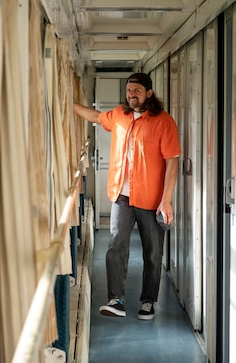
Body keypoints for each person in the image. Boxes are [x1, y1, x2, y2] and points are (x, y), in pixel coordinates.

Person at [73, 72, 180, 320]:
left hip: (151, 198)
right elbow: (93, 116)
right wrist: (66, 102)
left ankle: (148, 301)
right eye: (129, 90)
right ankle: (116, 300)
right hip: (121, 195)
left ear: (149, 93)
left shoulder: (164, 122)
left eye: (137, 91)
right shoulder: (119, 116)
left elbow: (172, 163)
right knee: (116, 245)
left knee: (152, 252)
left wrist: (167, 199)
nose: (132, 94)